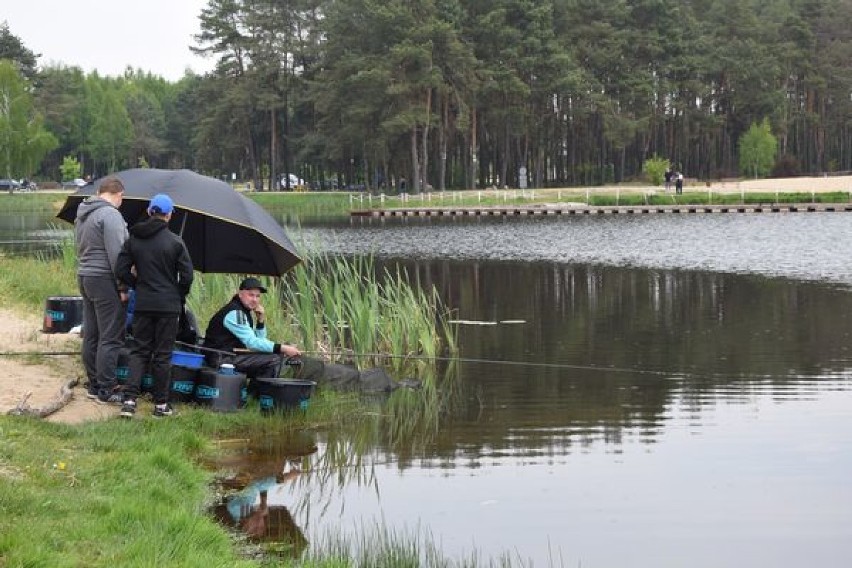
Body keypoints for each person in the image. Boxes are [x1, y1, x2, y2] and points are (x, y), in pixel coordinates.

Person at [115, 194, 194, 418]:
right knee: (162, 355)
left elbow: (120, 270)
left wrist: (137, 284)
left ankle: (129, 401)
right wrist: (178, 294)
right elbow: (187, 276)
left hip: (143, 303)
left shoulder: (133, 239)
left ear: (150, 212)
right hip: (168, 306)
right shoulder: (176, 242)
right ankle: (161, 405)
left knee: (139, 351)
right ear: (168, 215)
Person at [203, 277, 323, 384]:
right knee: (274, 359)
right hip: (220, 359)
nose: (255, 300)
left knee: (272, 354)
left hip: (228, 355)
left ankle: (255, 392)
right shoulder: (235, 313)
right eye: (251, 295)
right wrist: (283, 348)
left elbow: (259, 341)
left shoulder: (242, 311)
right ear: (240, 294)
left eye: (257, 296)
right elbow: (252, 343)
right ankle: (260, 394)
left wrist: (260, 321)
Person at [75, 176, 128, 404]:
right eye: (122, 199)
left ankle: (94, 383)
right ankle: (107, 388)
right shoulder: (110, 215)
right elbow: (117, 254)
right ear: (119, 195)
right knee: (111, 335)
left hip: (85, 275)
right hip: (104, 278)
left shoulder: (83, 214)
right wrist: (123, 285)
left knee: (92, 333)